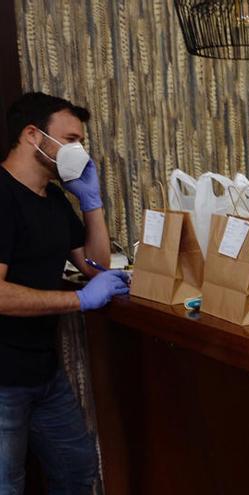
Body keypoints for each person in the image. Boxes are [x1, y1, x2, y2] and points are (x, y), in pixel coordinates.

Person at [0, 92, 129, 494]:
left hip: (44, 373)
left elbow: (96, 264)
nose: (79, 151)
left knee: (77, 470)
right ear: (33, 136)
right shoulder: (2, 196)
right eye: (71, 140)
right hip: (3, 380)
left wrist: (92, 202)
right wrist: (77, 300)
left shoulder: (53, 199)